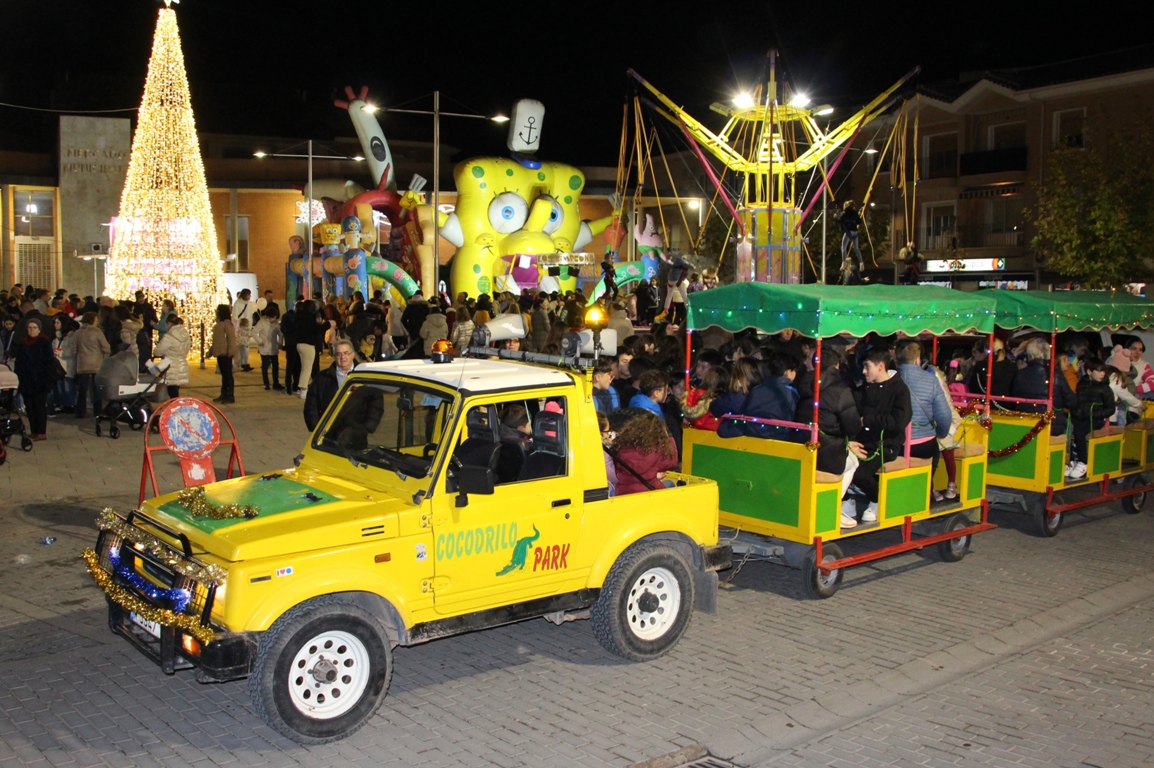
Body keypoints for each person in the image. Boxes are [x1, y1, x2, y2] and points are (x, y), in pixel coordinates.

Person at [849, 347, 912, 524]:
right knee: (837, 463)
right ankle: (848, 500)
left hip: (886, 444)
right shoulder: (863, 389)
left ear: (880, 366)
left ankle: (877, 500)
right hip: (863, 441)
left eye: (867, 367)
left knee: (861, 474)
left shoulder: (900, 390)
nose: (863, 371)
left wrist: (868, 421)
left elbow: (899, 422)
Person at [895, 339, 954, 495]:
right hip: (923, 444)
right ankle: (926, 494)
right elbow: (944, 415)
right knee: (933, 452)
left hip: (894, 443)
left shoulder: (888, 378)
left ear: (896, 358)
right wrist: (941, 433)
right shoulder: (931, 380)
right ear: (917, 359)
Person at [721, 351, 801, 440]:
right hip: (778, 437)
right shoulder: (792, 393)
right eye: (794, 371)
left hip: (752, 434)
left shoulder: (756, 389)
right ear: (787, 372)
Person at [610, 410, 678, 495]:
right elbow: (672, 462)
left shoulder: (621, 447)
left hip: (622, 493)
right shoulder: (657, 448)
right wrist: (669, 438)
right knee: (670, 483)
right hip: (649, 492)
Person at [1068, 357, 1114, 480]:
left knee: (1079, 432)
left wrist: (1095, 414)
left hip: (1095, 420)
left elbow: (1111, 408)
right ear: (1089, 372)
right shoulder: (1081, 384)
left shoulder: (1105, 388)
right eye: (1099, 371)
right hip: (1080, 416)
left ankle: (1083, 461)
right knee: (1068, 429)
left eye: (1103, 371)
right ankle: (1072, 459)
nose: (1102, 374)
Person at [13, 318, 56, 441]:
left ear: (39, 329)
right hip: (26, 380)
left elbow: (48, 361)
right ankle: (34, 431)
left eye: (34, 328)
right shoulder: (23, 343)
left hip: (40, 380)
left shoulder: (44, 342)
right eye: (30, 328)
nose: (32, 330)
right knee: (30, 407)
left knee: (39, 406)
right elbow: (19, 361)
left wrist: (41, 374)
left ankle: (41, 432)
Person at [304, 339, 358, 431]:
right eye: (338, 354)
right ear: (334, 356)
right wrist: (316, 427)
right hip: (329, 432)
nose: (342, 357)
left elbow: (375, 401)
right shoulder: (322, 378)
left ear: (353, 354)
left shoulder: (363, 376)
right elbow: (311, 404)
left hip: (356, 432)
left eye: (346, 353)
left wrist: (367, 426)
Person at [73, 312, 110, 419]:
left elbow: (73, 349)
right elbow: (106, 347)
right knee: (96, 389)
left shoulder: (78, 333)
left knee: (82, 389)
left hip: (82, 364)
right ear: (93, 320)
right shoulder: (97, 332)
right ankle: (97, 411)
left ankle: (80, 411)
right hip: (96, 364)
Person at [152, 314, 190, 398]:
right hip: (182, 364)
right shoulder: (185, 334)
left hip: (171, 366)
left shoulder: (169, 336)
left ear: (169, 323)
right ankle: (177, 407)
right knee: (175, 390)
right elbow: (187, 348)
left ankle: (176, 408)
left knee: (172, 391)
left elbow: (157, 352)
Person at [295, 299, 325, 399]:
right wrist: (327, 325)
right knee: (307, 368)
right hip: (308, 345)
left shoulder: (299, 316)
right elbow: (316, 330)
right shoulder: (310, 318)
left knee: (304, 367)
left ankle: (302, 388)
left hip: (299, 344)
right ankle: (303, 389)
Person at [209, 304, 238, 404]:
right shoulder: (219, 324)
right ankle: (224, 393)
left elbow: (231, 339)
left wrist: (231, 351)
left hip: (225, 353)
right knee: (224, 375)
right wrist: (210, 351)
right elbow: (216, 340)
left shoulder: (227, 324)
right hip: (220, 353)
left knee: (228, 375)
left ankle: (230, 395)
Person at [252, 305, 283, 390]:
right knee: (265, 366)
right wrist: (260, 341)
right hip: (264, 347)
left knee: (275, 365)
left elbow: (280, 333)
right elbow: (254, 332)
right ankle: (266, 383)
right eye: (273, 317)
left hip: (273, 347)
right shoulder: (262, 322)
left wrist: (280, 342)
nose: (274, 319)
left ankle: (276, 383)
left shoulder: (276, 324)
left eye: (275, 318)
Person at [838, 201, 864, 281]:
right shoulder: (854, 213)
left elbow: (840, 219)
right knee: (856, 248)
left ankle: (843, 262)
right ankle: (861, 262)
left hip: (848, 232)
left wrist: (836, 216)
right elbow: (859, 221)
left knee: (843, 247)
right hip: (855, 232)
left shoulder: (845, 212)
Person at [598, 413, 618, 496]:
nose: (609, 434)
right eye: (607, 431)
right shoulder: (602, 451)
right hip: (607, 490)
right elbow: (612, 475)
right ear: (599, 433)